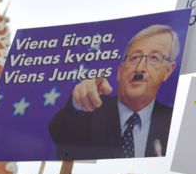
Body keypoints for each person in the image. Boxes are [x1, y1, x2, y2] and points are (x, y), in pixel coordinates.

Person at [49, 24, 179, 160]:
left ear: (168, 70)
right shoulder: (92, 111)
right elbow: (59, 133)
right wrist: (77, 103)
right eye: (134, 58)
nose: (140, 68)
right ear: (119, 71)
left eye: (154, 58)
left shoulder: (173, 123)